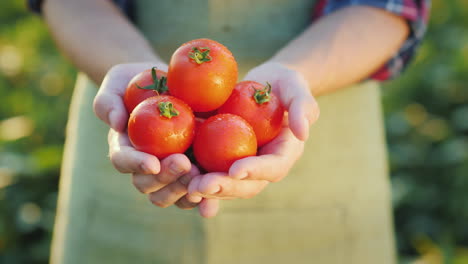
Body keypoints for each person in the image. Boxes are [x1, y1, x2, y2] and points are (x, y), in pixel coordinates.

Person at [31, 0, 430, 263]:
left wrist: (296, 76)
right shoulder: (145, 97)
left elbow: (388, 5)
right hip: (131, 121)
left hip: (316, 131)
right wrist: (138, 78)